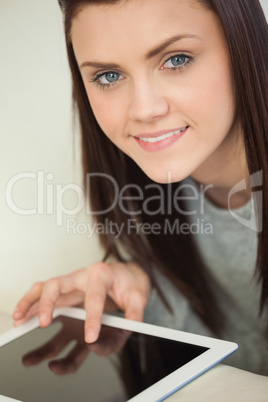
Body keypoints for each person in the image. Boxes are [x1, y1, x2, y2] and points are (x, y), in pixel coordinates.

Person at [12, 0, 268, 375]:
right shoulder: (153, 202)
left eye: (176, 59)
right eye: (109, 77)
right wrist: (146, 283)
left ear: (242, 45)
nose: (144, 109)